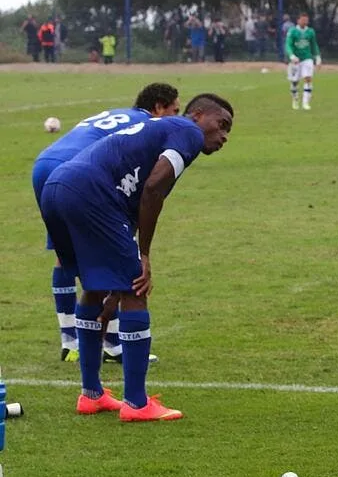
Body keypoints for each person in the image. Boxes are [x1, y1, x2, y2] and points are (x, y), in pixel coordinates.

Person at [38, 94, 231, 423]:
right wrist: (144, 254)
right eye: (222, 125)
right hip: (90, 191)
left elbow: (130, 205)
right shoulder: (188, 133)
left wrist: (118, 278)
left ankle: (92, 395)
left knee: (97, 289)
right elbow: (154, 188)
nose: (224, 135)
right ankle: (137, 403)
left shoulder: (157, 130)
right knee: (137, 289)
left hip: (57, 187)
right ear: (197, 115)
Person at [33, 83, 181, 364]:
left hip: (45, 164)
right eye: (174, 111)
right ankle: (113, 343)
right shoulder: (149, 126)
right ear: (159, 107)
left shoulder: (121, 113)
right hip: (76, 172)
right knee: (112, 255)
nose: (176, 118)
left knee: (65, 257)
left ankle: (71, 342)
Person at [285, 13, 321, 110]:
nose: (305, 22)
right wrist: (291, 55)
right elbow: (288, 45)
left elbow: (314, 45)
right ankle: (295, 99)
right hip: (295, 60)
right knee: (294, 82)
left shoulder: (310, 32)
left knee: (308, 78)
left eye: (306, 20)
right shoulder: (292, 31)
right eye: (303, 20)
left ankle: (305, 103)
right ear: (298, 20)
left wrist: (317, 57)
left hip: (307, 58)